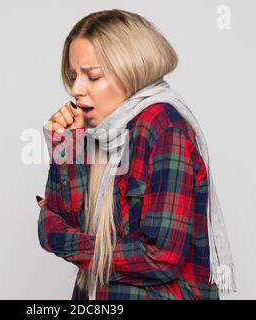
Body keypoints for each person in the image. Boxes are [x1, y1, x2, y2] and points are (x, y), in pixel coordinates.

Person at [36, 9, 237, 300]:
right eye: (73, 75)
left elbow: (161, 257)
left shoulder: (165, 129)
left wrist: (60, 239)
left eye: (92, 76)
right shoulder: (103, 132)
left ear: (131, 70)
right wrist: (67, 146)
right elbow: (74, 222)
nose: (76, 89)